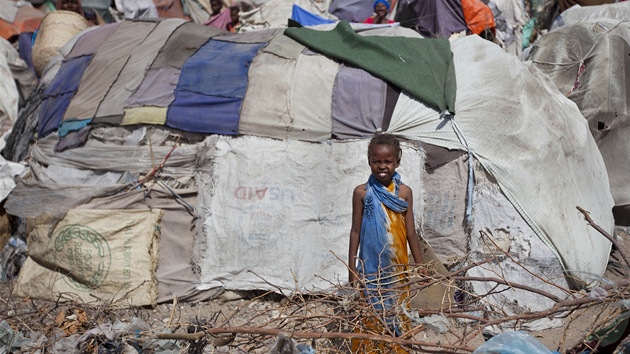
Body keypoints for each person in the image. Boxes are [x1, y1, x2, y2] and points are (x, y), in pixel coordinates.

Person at [348, 133, 424, 353]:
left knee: (398, 313)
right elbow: (355, 231)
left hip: (397, 268)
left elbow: (411, 233)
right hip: (371, 268)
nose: (382, 166)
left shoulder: (405, 193)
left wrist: (421, 266)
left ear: (397, 161)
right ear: (369, 161)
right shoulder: (362, 193)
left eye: (388, 161)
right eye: (376, 161)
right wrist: (352, 269)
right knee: (370, 312)